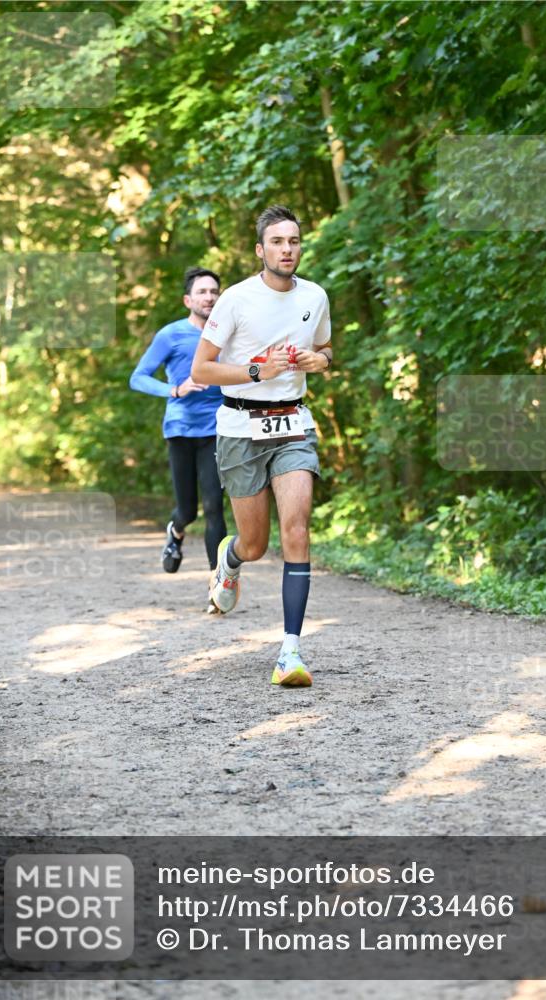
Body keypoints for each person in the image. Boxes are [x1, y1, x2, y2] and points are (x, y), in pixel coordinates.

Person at [191, 205, 333, 687]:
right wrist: (257, 370)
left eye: (293, 241)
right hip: (239, 427)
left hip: (293, 423)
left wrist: (321, 360)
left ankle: (290, 653)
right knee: (256, 544)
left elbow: (327, 347)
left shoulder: (315, 295)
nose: (287, 249)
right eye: (277, 242)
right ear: (261, 249)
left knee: (297, 531)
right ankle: (229, 560)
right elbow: (201, 371)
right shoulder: (235, 300)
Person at [130, 267, 227, 612]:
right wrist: (175, 389)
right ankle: (176, 530)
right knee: (188, 508)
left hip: (217, 430)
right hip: (180, 429)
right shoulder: (171, 335)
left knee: (215, 505)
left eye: (214, 291)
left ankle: (218, 587)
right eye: (202, 292)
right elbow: (137, 378)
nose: (209, 297)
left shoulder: (228, 334)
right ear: (189, 300)